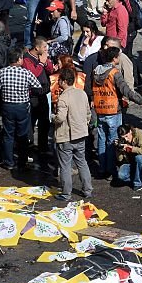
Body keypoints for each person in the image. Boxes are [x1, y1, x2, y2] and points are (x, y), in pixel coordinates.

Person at [53, 67, 93, 200]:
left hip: (66, 136)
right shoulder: (82, 94)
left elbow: (61, 118)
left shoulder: (64, 97)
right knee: (82, 162)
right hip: (81, 134)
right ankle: (87, 190)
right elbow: (88, 114)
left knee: (65, 166)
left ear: (64, 81)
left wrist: (53, 117)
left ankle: (66, 193)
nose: (58, 82)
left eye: (59, 80)